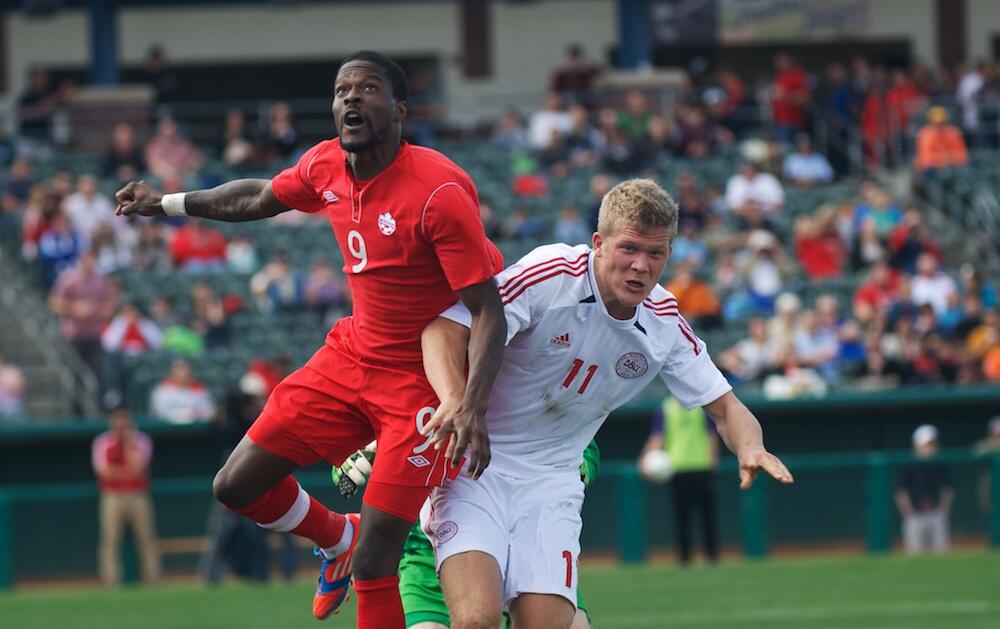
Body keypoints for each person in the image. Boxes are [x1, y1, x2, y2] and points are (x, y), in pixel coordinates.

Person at [115, 50, 506, 627]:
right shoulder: (325, 165)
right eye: (342, 89)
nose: (350, 98)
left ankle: (357, 550)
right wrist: (166, 203)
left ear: (399, 109)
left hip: (419, 387)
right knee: (236, 484)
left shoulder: (438, 191)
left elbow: (489, 312)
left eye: (367, 88)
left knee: (379, 561)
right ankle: (333, 538)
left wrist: (470, 406)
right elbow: (255, 198)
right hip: (349, 357)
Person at [417, 179, 792, 629]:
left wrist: (750, 447)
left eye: (656, 254)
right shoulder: (551, 275)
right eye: (629, 248)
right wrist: (457, 402)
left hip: (554, 483)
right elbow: (443, 329)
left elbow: (726, 407)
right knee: (475, 621)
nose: (641, 266)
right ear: (598, 242)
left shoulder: (664, 323)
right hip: (478, 466)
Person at [333, 439, 601, 629]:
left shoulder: (529, 368)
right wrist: (351, 450)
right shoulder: (413, 371)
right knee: (443, 624)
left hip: (527, 530)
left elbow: (581, 437)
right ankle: (350, 536)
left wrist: (571, 471)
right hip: (427, 548)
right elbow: (353, 419)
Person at [638, 396, 719, 565]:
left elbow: (710, 435)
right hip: (681, 469)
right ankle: (691, 557)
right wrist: (644, 460)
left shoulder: (692, 406)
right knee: (688, 517)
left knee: (697, 516)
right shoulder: (668, 408)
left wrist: (712, 461)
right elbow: (658, 438)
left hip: (698, 467)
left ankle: (704, 557)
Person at [91, 408, 161, 586]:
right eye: (118, 422)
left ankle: (153, 580)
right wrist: (124, 473)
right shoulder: (102, 441)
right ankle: (110, 582)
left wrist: (129, 444)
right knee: (110, 540)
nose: (121, 426)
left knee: (146, 539)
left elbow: (137, 468)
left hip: (138, 495)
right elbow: (103, 472)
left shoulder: (141, 440)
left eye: (125, 422)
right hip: (112, 496)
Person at [895, 424, 953, 555]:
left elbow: (948, 488)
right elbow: (900, 491)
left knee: (941, 555)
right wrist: (907, 513)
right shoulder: (909, 465)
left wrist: (945, 509)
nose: (929, 448)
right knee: (915, 555)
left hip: (936, 513)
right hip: (915, 515)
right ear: (917, 445)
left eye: (931, 444)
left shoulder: (940, 464)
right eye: (926, 444)